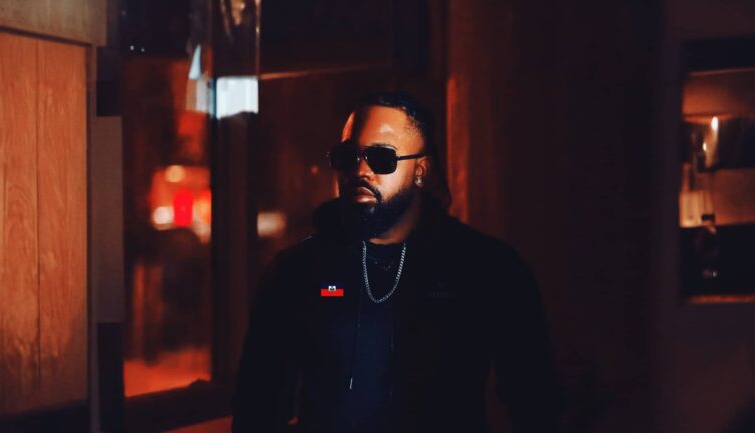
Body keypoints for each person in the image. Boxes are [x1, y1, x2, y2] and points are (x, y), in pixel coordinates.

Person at [232, 92, 561, 433]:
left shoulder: (486, 268)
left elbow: (534, 401)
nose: (360, 171)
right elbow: (258, 405)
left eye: (381, 157)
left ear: (421, 170)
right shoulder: (296, 272)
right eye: (346, 157)